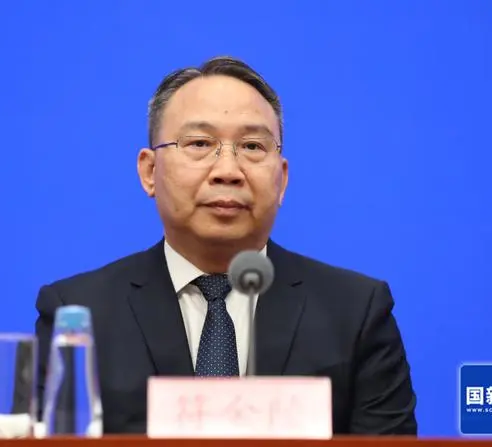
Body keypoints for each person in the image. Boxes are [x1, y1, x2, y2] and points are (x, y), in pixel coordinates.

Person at [34, 56, 418, 435]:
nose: (228, 171)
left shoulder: (355, 312)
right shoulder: (78, 314)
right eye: (200, 143)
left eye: (252, 146)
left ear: (282, 180)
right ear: (150, 171)